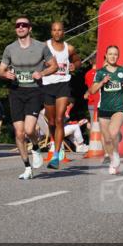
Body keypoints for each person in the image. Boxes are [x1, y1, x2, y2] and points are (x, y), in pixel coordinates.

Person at [0, 16, 57, 180]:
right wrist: (5, 74)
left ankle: (36, 148)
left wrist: (42, 73)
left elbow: (54, 65)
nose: (20, 27)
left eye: (24, 25)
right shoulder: (10, 49)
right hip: (16, 91)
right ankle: (27, 167)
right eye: (18, 25)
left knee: (30, 130)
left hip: (34, 91)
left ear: (30, 28)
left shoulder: (41, 47)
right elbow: (0, 70)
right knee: (19, 133)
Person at [41, 21, 81, 169]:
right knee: (51, 121)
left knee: (59, 119)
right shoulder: (44, 47)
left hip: (63, 85)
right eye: (54, 30)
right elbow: (36, 61)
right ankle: (54, 140)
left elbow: (78, 61)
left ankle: (56, 155)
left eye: (60, 30)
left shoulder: (69, 48)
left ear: (64, 32)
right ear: (51, 32)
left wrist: (74, 65)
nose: (57, 33)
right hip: (47, 85)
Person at [90, 45, 123, 175]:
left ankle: (116, 155)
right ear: (106, 56)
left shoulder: (122, 71)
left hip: (118, 108)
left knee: (113, 133)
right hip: (104, 109)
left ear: (118, 56)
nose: (113, 56)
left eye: (115, 54)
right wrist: (102, 82)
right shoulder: (100, 72)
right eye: (110, 54)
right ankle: (113, 159)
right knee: (107, 139)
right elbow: (92, 90)